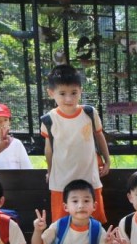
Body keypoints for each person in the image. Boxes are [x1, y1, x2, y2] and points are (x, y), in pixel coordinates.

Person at [42, 64, 110, 223]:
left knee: (95, 224)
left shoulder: (90, 113)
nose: (69, 99)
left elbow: (99, 136)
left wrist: (107, 160)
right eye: (62, 93)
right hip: (61, 182)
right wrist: (50, 171)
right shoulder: (49, 119)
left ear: (80, 91)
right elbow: (48, 149)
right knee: (61, 225)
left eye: (73, 93)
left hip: (89, 178)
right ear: (51, 93)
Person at [0, 103, 33, 170]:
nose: (2, 123)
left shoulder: (17, 144)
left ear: (9, 122)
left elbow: (28, 170)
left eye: (5, 120)